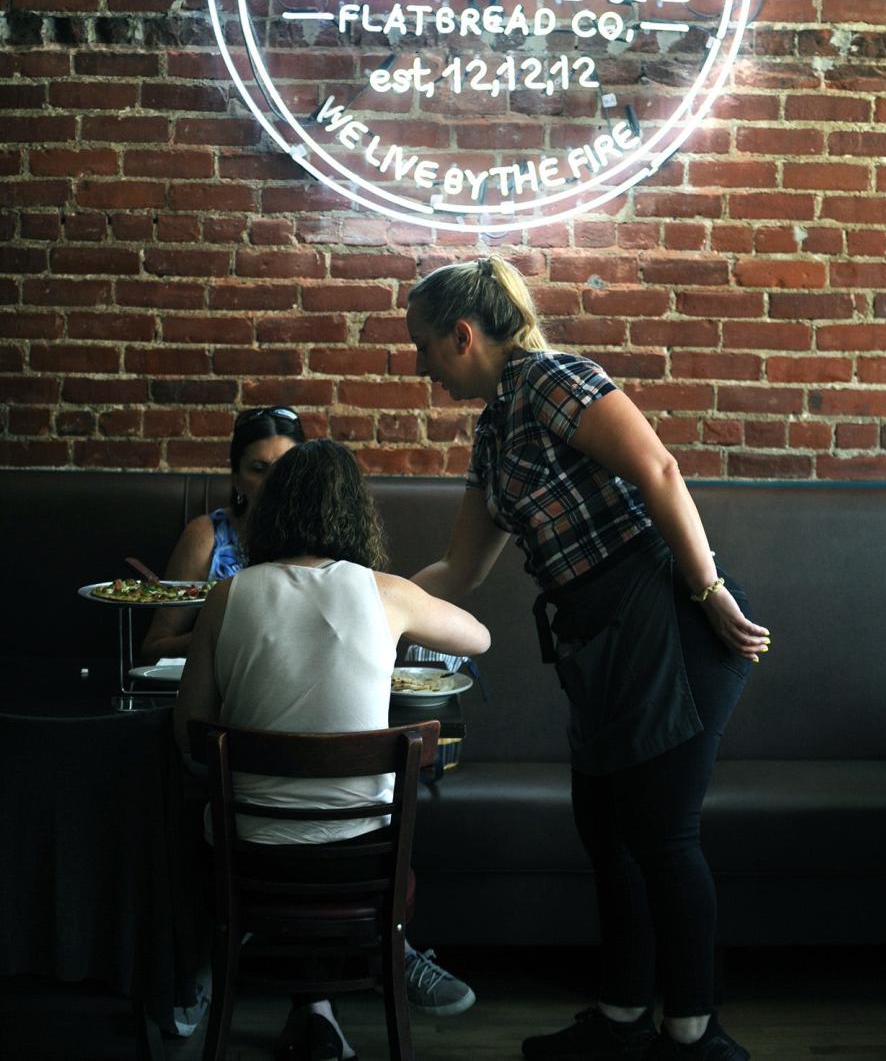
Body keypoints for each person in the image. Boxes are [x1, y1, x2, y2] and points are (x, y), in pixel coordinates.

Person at [405, 256, 771, 1061]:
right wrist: (364, 596)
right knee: (605, 832)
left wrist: (709, 591)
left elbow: (660, 469)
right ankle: (618, 1018)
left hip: (666, 623)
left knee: (663, 838)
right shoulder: (495, 429)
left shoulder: (551, 377)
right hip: (597, 642)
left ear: (463, 335)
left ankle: (692, 1035)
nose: (419, 364)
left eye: (423, 345)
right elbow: (460, 571)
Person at [174, 438, 491, 1061]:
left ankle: (200, 977)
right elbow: (477, 637)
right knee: (350, 832)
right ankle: (350, 988)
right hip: (364, 866)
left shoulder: (225, 596)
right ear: (354, 513)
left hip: (247, 864)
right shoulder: (386, 593)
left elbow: (190, 730)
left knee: (195, 820)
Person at [142, 405, 307, 664]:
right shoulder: (207, 537)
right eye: (258, 468)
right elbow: (154, 648)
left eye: (286, 468)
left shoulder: (324, 537)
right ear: (237, 480)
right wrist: (223, 634)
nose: (275, 481)